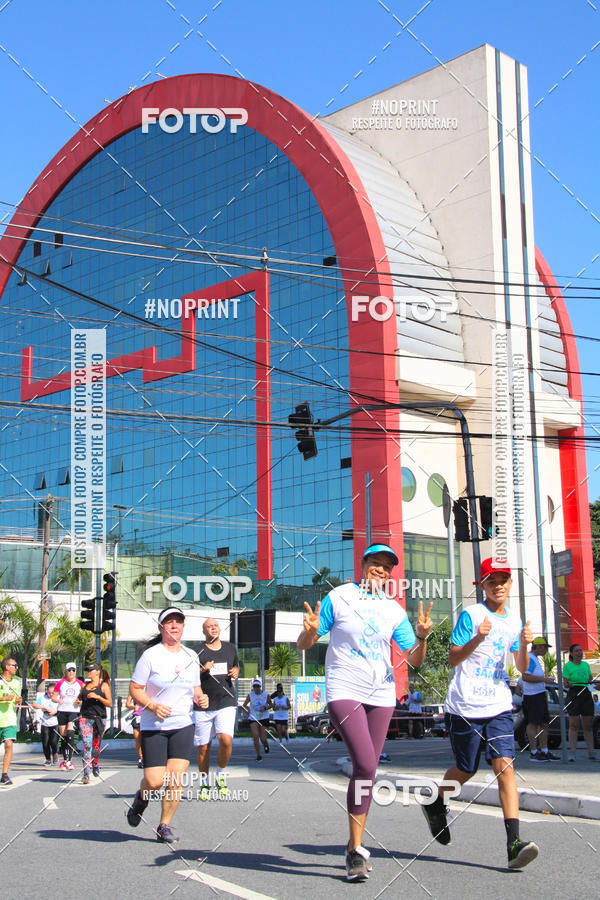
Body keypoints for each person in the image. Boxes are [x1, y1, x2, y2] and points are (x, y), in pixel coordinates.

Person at [297, 543, 433, 882]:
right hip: (344, 689)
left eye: (387, 567)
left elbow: (414, 659)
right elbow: (305, 644)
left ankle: (353, 846)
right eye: (376, 564)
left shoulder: (393, 609)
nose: (382, 571)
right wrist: (311, 630)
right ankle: (356, 851)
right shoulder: (340, 596)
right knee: (366, 763)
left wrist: (421, 637)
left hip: (382, 694)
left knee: (367, 772)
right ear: (363, 565)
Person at [422, 558, 539, 870]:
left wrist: (526, 646)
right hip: (465, 706)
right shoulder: (472, 615)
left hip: (499, 704)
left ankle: (514, 843)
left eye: (503, 579)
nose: (497, 585)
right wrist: (478, 638)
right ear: (482, 585)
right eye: (491, 580)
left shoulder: (515, 623)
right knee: (466, 769)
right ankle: (436, 802)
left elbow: (524, 669)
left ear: (510, 584)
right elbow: (453, 659)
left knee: (506, 767)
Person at [126, 607, 208, 844]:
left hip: (183, 724)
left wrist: (201, 698)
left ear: (183, 627)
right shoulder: (151, 656)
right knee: (154, 781)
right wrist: (152, 706)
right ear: (162, 628)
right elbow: (135, 689)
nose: (174, 626)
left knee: (175, 779)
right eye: (169, 622)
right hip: (155, 726)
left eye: (178, 622)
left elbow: (196, 689)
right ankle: (141, 799)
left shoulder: (191, 656)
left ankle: (164, 826)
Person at [194, 617, 239, 798]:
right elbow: (190, 676)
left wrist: (236, 671)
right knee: (204, 747)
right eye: (209, 627)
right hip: (203, 704)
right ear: (204, 631)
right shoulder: (197, 651)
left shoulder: (230, 648)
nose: (213, 629)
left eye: (215, 626)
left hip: (226, 702)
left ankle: (221, 775)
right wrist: (203, 669)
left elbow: (236, 667)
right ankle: (205, 784)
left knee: (225, 740)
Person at [521, 636, 558, 761]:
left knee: (543, 723)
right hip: (532, 696)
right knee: (532, 723)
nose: (546, 650)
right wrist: (544, 680)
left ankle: (545, 750)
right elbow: (526, 677)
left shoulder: (535, 659)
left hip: (539, 694)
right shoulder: (530, 658)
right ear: (538, 647)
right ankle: (533, 751)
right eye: (544, 647)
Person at [563, 643, 600, 762]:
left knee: (588, 725)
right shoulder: (568, 666)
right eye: (577, 651)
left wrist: (596, 686)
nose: (579, 653)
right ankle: (572, 753)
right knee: (574, 724)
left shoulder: (586, 665)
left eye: (581, 651)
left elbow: (590, 681)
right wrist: (569, 684)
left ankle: (591, 752)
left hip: (586, 693)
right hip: (574, 693)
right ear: (572, 654)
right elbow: (565, 683)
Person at [78, 664, 112, 784]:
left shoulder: (104, 686)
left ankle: (95, 763)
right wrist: (78, 701)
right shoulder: (84, 685)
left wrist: (98, 697)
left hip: (99, 718)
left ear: (97, 672)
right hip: (85, 718)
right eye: (88, 670)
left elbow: (110, 703)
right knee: (87, 745)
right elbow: (80, 699)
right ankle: (86, 774)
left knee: (96, 745)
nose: (89, 672)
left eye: (91, 670)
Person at [52, 662, 83, 770]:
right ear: (65, 671)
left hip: (73, 711)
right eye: (69, 670)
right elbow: (54, 697)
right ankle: (65, 760)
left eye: (73, 670)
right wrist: (58, 700)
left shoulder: (79, 683)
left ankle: (70, 760)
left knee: (70, 732)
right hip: (62, 711)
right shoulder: (60, 683)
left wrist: (80, 701)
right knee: (64, 735)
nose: (71, 672)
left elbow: (84, 695)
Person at [0, 658, 22, 786]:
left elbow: (17, 699)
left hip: (9, 719)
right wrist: (4, 698)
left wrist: (18, 700)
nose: (16, 668)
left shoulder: (16, 683)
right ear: (7, 667)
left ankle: (4, 774)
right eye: (15, 665)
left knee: (8, 744)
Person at [242, 680, 272, 761]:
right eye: (254, 686)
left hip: (264, 717)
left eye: (257, 686)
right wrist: (247, 711)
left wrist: (265, 708)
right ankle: (258, 755)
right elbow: (243, 705)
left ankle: (266, 745)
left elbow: (271, 704)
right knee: (255, 736)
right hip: (253, 717)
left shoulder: (265, 695)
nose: (256, 688)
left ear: (260, 687)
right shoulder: (250, 695)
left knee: (263, 738)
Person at [32, 682, 59, 766]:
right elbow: (34, 704)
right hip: (45, 723)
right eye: (49, 693)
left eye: (52, 693)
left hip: (55, 722)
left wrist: (54, 712)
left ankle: (55, 753)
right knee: (45, 742)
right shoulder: (43, 698)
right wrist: (43, 707)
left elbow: (63, 708)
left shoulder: (58, 698)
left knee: (53, 741)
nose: (50, 695)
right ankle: (48, 759)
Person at [126, 693, 143, 768]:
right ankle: (141, 757)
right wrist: (134, 706)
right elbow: (127, 704)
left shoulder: (148, 689)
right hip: (136, 716)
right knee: (137, 738)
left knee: (146, 738)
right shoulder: (133, 691)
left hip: (146, 716)